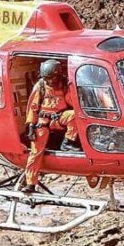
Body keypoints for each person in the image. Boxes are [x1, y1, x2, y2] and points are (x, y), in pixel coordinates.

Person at [22, 59, 77, 193]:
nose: (49, 82)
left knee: (76, 115)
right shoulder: (40, 87)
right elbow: (33, 108)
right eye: (47, 79)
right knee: (35, 153)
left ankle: (68, 142)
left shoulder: (64, 85)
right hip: (42, 122)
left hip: (59, 118)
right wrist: (30, 126)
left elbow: (72, 101)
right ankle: (30, 183)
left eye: (51, 78)